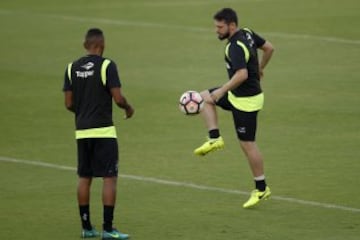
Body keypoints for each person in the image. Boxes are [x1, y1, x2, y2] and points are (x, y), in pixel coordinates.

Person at [194, 8, 274, 208]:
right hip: (240, 95)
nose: (216, 31)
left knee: (248, 144)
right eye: (216, 27)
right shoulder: (247, 32)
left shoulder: (235, 46)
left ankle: (262, 189)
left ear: (231, 25)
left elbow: (242, 75)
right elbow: (270, 48)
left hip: (246, 101)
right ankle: (214, 138)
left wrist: (221, 91)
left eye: (220, 27)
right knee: (203, 97)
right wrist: (261, 68)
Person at [63, 28, 134, 239]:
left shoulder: (70, 68)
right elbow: (118, 98)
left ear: (85, 44)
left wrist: (84, 111)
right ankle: (108, 229)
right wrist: (128, 108)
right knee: (109, 178)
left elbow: (68, 104)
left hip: (82, 131)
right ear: (101, 45)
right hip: (104, 131)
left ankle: (86, 227)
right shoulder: (106, 65)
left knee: (84, 177)